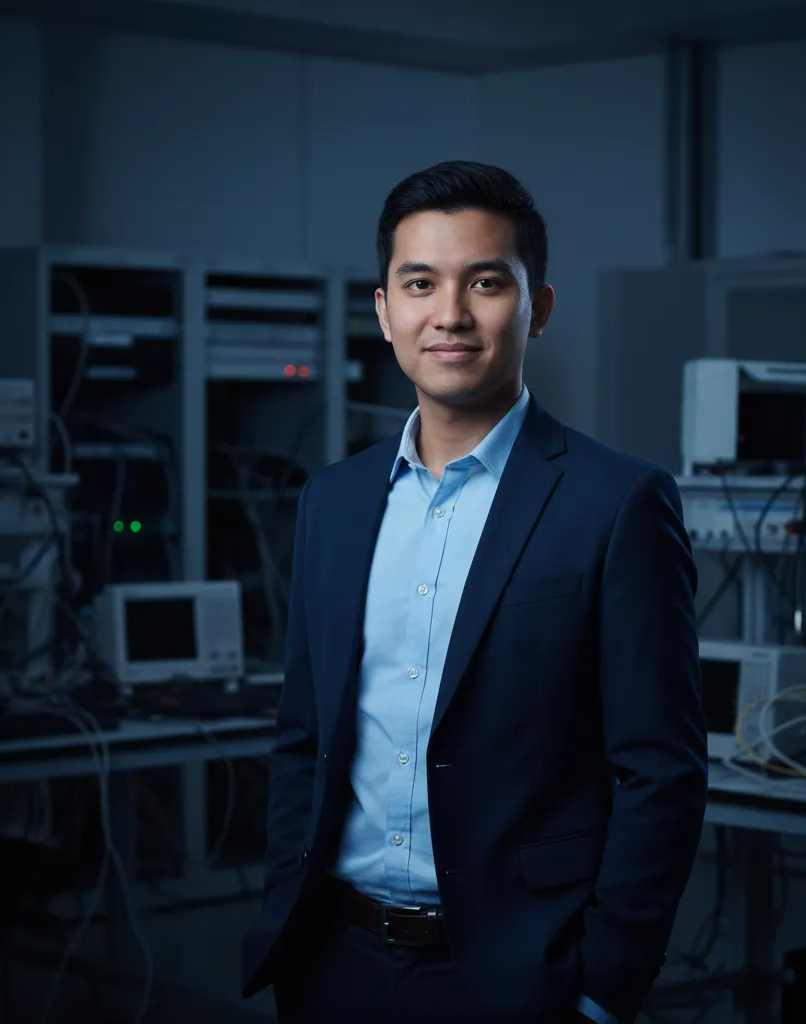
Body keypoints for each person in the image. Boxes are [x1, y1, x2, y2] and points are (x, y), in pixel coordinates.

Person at [242, 160, 707, 1023]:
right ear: (384, 312)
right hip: (332, 966)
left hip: (517, 978)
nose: (449, 314)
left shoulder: (615, 503)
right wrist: (288, 919)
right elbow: (304, 740)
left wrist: (603, 987)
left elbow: (661, 770)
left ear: (538, 309)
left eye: (485, 282)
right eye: (419, 283)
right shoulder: (334, 502)